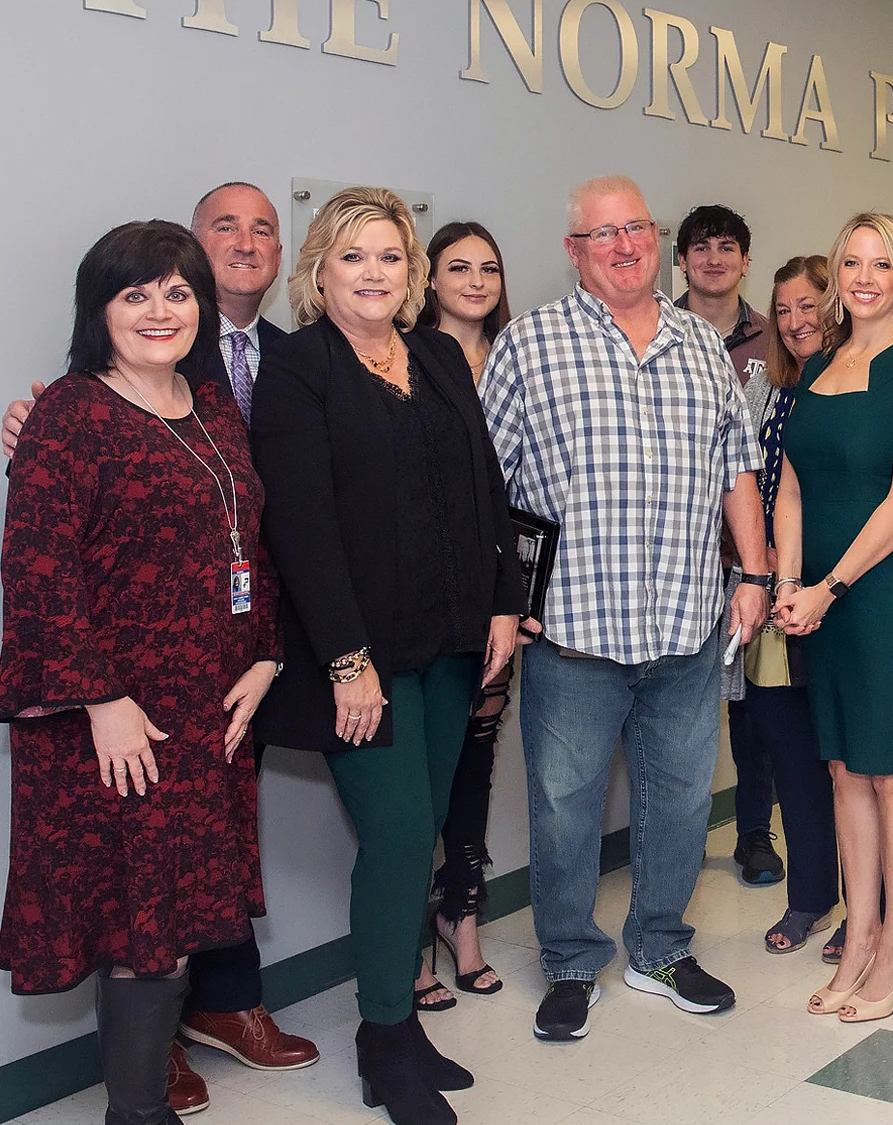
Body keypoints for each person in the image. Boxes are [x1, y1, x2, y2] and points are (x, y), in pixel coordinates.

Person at [0, 182, 320, 1115]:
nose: (159, 310)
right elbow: (36, 571)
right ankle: (135, 1111)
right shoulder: (68, 415)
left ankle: (145, 1097)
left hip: (204, 712)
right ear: (98, 310)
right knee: (138, 922)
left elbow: (247, 543)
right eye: (134, 294)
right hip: (111, 724)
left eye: (176, 292)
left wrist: (263, 656)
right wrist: (99, 700)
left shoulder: (212, 410)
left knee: (176, 920)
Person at [252, 187, 523, 1125]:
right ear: (319, 270)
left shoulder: (441, 355)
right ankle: (379, 1037)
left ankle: (402, 1030)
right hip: (361, 657)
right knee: (403, 831)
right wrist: (345, 661)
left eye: (392, 258)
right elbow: (300, 526)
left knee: (424, 832)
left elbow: (487, 491)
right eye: (355, 256)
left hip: (453, 641)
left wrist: (502, 604)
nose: (376, 273)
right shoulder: (299, 371)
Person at [479, 174, 769, 1042]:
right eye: (601, 234)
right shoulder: (528, 347)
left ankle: (659, 949)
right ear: (573, 251)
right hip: (572, 634)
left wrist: (753, 574)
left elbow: (737, 469)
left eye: (635, 228)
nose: (623, 245)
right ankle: (569, 961)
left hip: (688, 624)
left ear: (656, 237)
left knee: (679, 800)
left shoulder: (700, 346)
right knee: (564, 808)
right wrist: (502, 596)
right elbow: (483, 491)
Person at [773, 214, 893, 1022]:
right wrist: (786, 581)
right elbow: (793, 487)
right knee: (843, 768)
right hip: (817, 598)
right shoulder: (816, 367)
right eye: (853, 260)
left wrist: (829, 587)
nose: (865, 276)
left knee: (889, 769)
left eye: (883, 263)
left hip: (884, 594)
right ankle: (863, 924)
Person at [409, 221, 515, 1010]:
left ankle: (462, 918)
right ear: (428, 277)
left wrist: (519, 599)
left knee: (472, 767)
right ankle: (410, 939)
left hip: (504, 590)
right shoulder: (402, 357)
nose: (475, 280)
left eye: (489, 267)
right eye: (457, 267)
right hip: (428, 596)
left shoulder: (518, 356)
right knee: (418, 779)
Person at [675, 204, 784, 888]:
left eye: (727, 247)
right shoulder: (655, 331)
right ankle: (676, 844)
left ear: (745, 260)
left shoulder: (777, 341)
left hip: (750, 559)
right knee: (675, 707)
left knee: (751, 709)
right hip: (678, 556)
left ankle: (752, 833)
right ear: (681, 260)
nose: (713, 259)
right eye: (700, 248)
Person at [748, 255, 842, 955]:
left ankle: (868, 911)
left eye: (808, 305)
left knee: (853, 760)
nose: (795, 321)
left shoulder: (852, 389)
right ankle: (810, 897)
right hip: (781, 593)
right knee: (791, 750)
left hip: (845, 590)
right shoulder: (782, 392)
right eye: (783, 310)